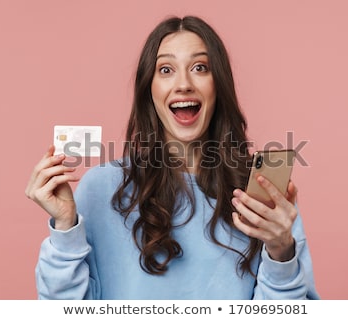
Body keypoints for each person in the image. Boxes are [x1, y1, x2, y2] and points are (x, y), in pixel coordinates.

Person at [25, 15, 319, 300]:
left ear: (219, 85)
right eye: (166, 70)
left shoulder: (264, 196)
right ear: (149, 89)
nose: (183, 84)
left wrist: (281, 253)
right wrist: (65, 227)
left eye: (200, 67)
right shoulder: (100, 188)